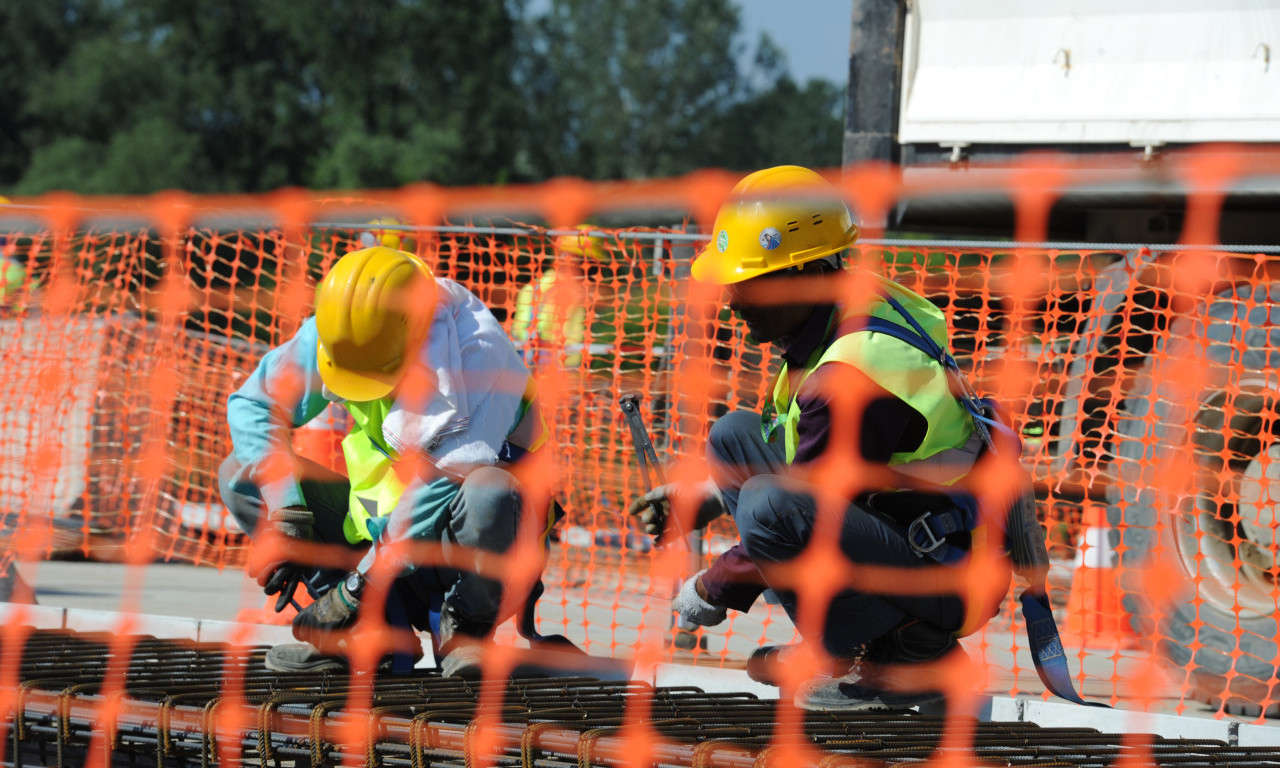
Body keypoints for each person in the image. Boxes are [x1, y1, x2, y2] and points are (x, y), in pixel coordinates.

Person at [628, 165, 1048, 711]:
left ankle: (903, 658)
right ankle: (842, 646)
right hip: (908, 536)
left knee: (768, 504)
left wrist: (712, 586)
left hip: (947, 573)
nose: (733, 301)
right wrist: (703, 497)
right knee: (734, 436)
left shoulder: (852, 373)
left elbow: (801, 508)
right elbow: (797, 457)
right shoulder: (842, 315)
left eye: (747, 283)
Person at [221, 245, 553, 676]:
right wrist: (287, 511)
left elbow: (435, 494)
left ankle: (465, 634)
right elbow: (253, 404)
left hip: (478, 553)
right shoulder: (348, 330)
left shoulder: (479, 360)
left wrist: (355, 591)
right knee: (240, 476)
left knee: (489, 487)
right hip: (381, 534)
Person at [510, 225, 610, 370]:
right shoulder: (567, 290)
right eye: (592, 262)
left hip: (538, 360)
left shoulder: (535, 286)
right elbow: (540, 328)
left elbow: (521, 330)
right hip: (556, 365)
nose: (595, 269)